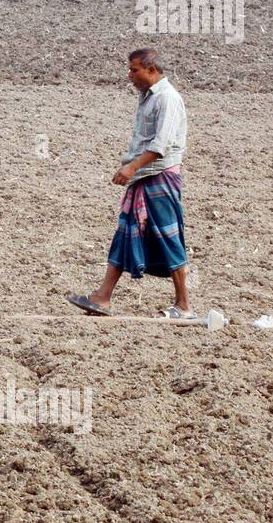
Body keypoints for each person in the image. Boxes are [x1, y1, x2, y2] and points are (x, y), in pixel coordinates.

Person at [69, 48, 193, 319]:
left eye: (134, 70)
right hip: (143, 177)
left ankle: (184, 306)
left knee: (168, 237)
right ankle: (102, 298)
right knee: (125, 234)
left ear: (151, 70)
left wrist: (132, 166)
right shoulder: (148, 98)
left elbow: (161, 144)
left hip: (158, 176)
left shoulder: (167, 99)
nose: (130, 75)